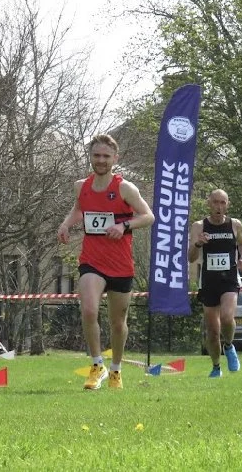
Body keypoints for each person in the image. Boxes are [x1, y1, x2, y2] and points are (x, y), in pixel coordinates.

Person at [56, 134, 155, 390]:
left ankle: (116, 369)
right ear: (90, 156)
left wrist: (124, 225)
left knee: (117, 322)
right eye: (96, 155)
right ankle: (97, 364)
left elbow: (148, 216)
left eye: (105, 156)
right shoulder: (81, 186)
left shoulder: (125, 188)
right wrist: (67, 224)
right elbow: (80, 208)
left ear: (115, 159)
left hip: (121, 264)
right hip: (92, 260)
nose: (100, 160)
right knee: (88, 309)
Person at [188, 189, 242, 378]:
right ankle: (216, 366)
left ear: (227, 205)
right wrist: (198, 244)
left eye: (223, 203)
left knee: (226, 317)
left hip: (229, 279)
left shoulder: (234, 224)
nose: (219, 207)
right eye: (215, 202)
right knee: (212, 332)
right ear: (209, 203)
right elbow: (190, 258)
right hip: (208, 280)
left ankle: (230, 346)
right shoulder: (199, 226)